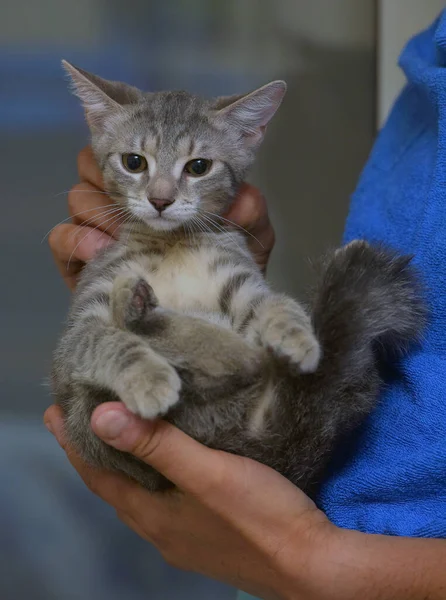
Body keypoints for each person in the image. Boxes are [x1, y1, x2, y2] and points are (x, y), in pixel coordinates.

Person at [45, 11, 446, 600]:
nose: (160, 195)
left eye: (196, 168)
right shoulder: (424, 77)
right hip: (271, 528)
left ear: (248, 138)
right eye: (135, 164)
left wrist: (315, 560)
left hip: (313, 545)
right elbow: (81, 351)